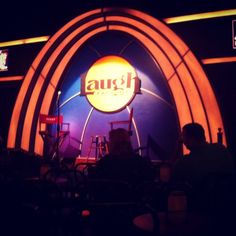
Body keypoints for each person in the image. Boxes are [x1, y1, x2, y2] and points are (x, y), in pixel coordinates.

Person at [172, 122, 235, 187]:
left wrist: (178, 147)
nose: (182, 140)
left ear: (191, 138)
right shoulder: (221, 148)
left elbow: (172, 174)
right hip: (227, 195)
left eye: (183, 136)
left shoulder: (186, 161)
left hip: (202, 196)